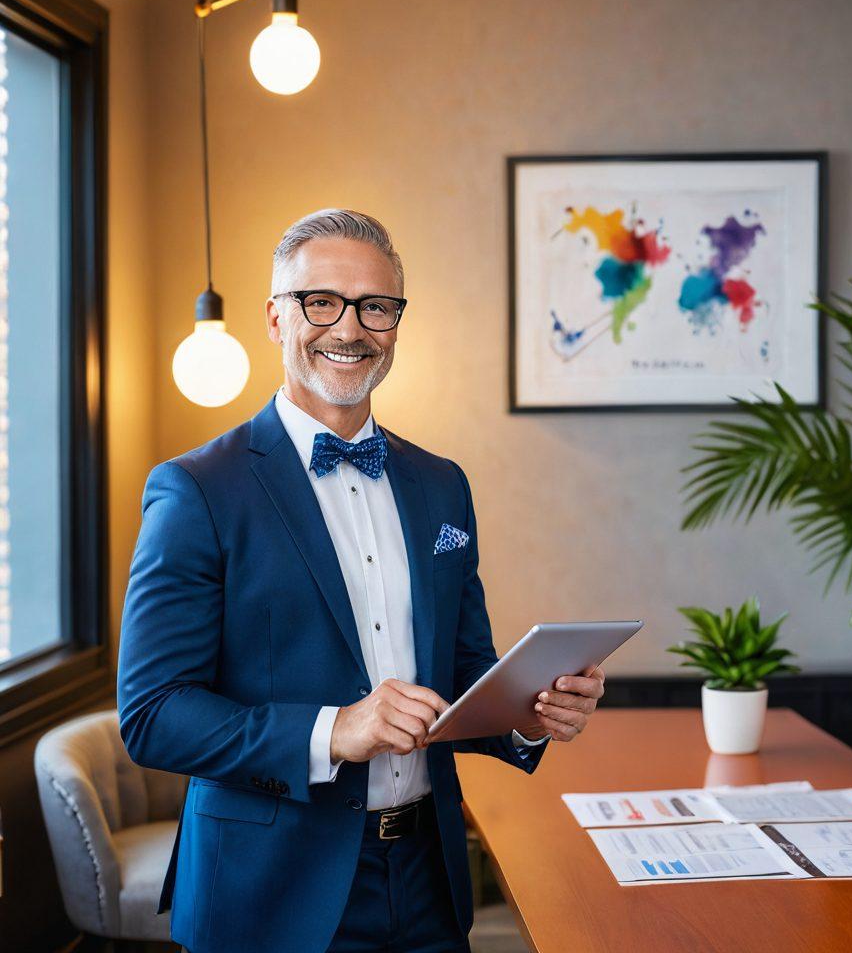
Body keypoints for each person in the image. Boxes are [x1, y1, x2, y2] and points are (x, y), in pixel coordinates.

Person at [117, 209, 606, 953]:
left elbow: (464, 670)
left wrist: (529, 713)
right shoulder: (197, 490)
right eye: (322, 302)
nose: (349, 328)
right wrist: (334, 731)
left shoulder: (442, 485)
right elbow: (152, 714)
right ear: (275, 319)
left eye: (375, 306)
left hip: (429, 879)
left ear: (396, 325)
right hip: (266, 892)